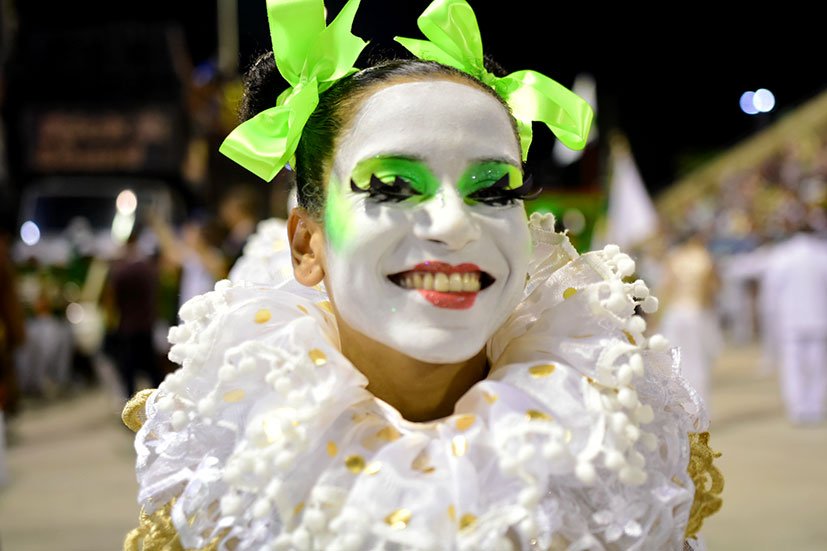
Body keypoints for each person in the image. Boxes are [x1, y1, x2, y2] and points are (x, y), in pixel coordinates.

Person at [123, 1, 721, 549]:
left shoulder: (601, 447)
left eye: (495, 191)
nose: (454, 224)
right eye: (393, 187)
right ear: (306, 245)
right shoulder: (242, 472)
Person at [760, 222, 827, 425]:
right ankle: (814, 407)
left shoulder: (783, 255)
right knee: (817, 365)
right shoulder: (822, 254)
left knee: (793, 365)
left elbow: (771, 293)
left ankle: (797, 408)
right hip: (819, 319)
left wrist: (770, 318)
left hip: (790, 320)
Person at [653, 230, 723, 410]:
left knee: (675, 362)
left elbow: (665, 288)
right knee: (698, 362)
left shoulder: (674, 257)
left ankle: (679, 409)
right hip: (696, 314)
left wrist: (656, 319)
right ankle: (699, 408)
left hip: (674, 314)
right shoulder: (705, 258)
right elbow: (714, 288)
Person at [103, 223, 165, 401]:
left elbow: (112, 298)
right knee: (151, 366)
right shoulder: (148, 268)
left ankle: (131, 403)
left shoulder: (121, 271)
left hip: (128, 325)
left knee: (128, 368)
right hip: (146, 322)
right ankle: (160, 399)